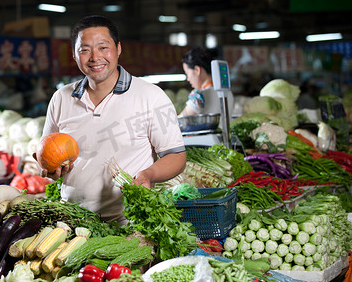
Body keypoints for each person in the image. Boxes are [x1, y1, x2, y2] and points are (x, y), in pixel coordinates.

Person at [35, 15, 186, 225]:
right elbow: (47, 153)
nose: (95, 57)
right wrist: (51, 170)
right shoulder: (61, 98)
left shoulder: (151, 96)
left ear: (118, 49)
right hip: (72, 220)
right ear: (74, 55)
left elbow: (176, 155)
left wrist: (149, 174)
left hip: (130, 222)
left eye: (103, 47)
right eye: (85, 49)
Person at [179, 47, 234, 118]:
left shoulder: (198, 96)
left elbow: (180, 121)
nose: (188, 79)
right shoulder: (228, 93)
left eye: (187, 73)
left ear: (197, 70)